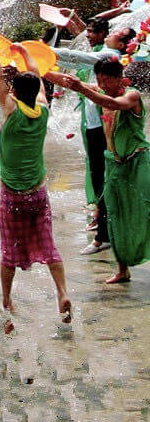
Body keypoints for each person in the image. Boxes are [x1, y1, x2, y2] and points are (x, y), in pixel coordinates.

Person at [0, 40, 70, 333]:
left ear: (15, 93)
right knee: (49, 245)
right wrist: (24, 53)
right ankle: (62, 292)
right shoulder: (43, 110)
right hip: (38, 193)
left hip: (13, 196)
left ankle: (7, 301)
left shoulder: (11, 110)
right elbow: (39, 76)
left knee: (9, 252)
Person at [53, 57, 150, 284]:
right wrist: (35, 65)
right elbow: (66, 81)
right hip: (114, 164)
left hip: (137, 163)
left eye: (107, 80)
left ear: (120, 77)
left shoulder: (132, 95)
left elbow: (115, 104)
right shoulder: (101, 92)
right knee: (115, 215)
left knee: (145, 211)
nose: (102, 84)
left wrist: (82, 88)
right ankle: (122, 270)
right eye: (99, 80)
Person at [53, 20, 133, 255]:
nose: (113, 31)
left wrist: (46, 52)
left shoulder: (110, 58)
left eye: (117, 32)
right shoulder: (105, 63)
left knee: (106, 181)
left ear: (123, 44)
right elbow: (78, 80)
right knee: (100, 179)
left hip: (107, 135)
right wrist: (41, 67)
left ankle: (105, 235)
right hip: (94, 128)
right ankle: (104, 228)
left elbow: (78, 60)